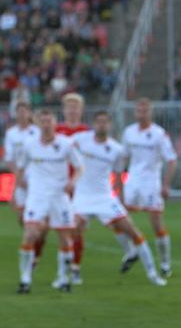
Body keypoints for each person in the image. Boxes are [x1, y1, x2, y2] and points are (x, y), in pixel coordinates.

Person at [72, 111, 167, 286]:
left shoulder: (116, 150)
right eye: (98, 122)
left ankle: (153, 274)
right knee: (73, 231)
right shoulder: (81, 139)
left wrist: (120, 198)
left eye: (105, 122)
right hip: (83, 196)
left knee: (133, 231)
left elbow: (118, 176)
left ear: (110, 125)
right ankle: (73, 271)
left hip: (105, 197)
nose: (101, 125)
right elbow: (63, 149)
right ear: (93, 123)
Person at [16, 109, 82, 294]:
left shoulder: (66, 144)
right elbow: (21, 168)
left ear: (55, 123)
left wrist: (72, 183)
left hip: (59, 196)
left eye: (49, 121)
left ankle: (63, 278)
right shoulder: (29, 144)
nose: (46, 125)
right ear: (38, 124)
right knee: (30, 233)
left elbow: (79, 167)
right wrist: (19, 186)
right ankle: (25, 279)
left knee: (64, 237)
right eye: (42, 121)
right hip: (37, 196)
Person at [121, 98, 178, 278]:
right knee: (117, 218)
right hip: (131, 181)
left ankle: (165, 263)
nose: (141, 113)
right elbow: (123, 158)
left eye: (145, 110)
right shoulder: (128, 132)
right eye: (139, 109)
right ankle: (132, 251)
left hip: (151, 183)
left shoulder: (159, 134)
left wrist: (166, 184)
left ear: (150, 113)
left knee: (156, 223)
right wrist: (118, 183)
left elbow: (171, 160)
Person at [56, 92, 90, 283]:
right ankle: (63, 269)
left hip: (81, 187)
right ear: (64, 110)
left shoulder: (87, 133)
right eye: (69, 107)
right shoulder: (57, 131)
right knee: (63, 229)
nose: (72, 110)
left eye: (75, 107)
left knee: (77, 230)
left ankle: (75, 268)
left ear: (81, 110)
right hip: (60, 186)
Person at [3, 100, 40, 223]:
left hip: (36, 175)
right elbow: (9, 158)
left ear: (29, 113)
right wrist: (18, 178)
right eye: (19, 112)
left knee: (38, 211)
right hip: (20, 175)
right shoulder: (11, 133)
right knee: (21, 214)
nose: (22, 114)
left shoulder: (37, 132)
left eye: (24, 111)